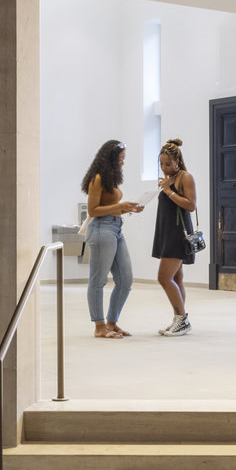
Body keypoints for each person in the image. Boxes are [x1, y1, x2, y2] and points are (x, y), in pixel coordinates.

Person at [81, 140, 144, 338]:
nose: (123, 162)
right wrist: (119, 206)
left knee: (125, 280)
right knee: (98, 280)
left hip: (116, 228)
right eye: (121, 158)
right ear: (111, 158)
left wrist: (128, 208)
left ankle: (112, 322)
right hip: (102, 230)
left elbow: (111, 206)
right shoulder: (97, 179)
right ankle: (99, 326)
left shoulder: (110, 179)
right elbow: (93, 210)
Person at [151, 139, 197, 337]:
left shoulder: (185, 177)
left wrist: (168, 191)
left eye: (168, 164)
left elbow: (190, 205)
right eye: (161, 164)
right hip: (167, 231)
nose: (164, 168)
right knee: (177, 277)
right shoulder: (168, 178)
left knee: (164, 277)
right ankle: (179, 319)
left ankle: (182, 319)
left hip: (178, 233)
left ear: (177, 161)